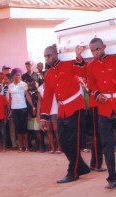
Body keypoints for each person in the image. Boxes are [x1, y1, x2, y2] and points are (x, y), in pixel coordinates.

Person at [85, 38, 116, 189]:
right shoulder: (91, 66)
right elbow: (91, 85)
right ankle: (113, 178)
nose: (95, 53)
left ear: (104, 47)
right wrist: (97, 94)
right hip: (104, 109)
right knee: (107, 145)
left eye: (97, 49)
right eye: (92, 50)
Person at [39, 45, 90, 184]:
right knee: (63, 142)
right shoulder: (48, 74)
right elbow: (48, 96)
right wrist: (44, 117)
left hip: (75, 107)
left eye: (49, 55)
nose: (47, 58)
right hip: (62, 110)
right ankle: (82, 167)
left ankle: (72, 172)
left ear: (56, 54)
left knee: (73, 143)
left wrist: (79, 57)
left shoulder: (69, 64)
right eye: (45, 56)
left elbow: (83, 72)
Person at [8, 68, 34, 152]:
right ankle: (20, 146)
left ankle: (26, 146)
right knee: (17, 128)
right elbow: (10, 99)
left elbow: (27, 96)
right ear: (13, 76)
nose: (18, 76)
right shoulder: (10, 86)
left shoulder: (24, 84)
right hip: (14, 109)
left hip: (23, 108)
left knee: (24, 128)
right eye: (16, 75)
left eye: (19, 75)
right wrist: (9, 111)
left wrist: (33, 106)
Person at [37, 81, 61, 154]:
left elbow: (59, 98)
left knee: (56, 129)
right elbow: (39, 101)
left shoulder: (54, 85)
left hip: (54, 110)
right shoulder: (40, 88)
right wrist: (38, 113)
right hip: (45, 112)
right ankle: (52, 147)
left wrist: (59, 109)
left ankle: (59, 147)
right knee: (49, 130)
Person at [26, 78, 44, 152]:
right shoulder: (27, 92)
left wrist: (37, 112)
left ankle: (41, 147)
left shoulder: (38, 91)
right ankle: (36, 146)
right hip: (30, 113)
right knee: (33, 131)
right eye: (29, 83)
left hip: (37, 113)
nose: (30, 84)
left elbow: (40, 102)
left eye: (32, 83)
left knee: (38, 131)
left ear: (35, 83)